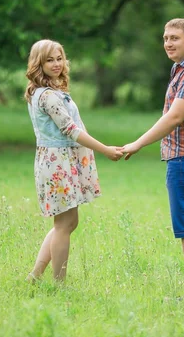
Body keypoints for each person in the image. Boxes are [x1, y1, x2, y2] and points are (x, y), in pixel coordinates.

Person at [121, 18, 184, 300]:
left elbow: (175, 117)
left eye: (174, 38)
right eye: (165, 38)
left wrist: (138, 143)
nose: (168, 43)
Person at [24, 39, 123, 282]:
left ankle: (35, 276)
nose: (57, 64)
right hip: (58, 163)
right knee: (64, 224)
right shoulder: (48, 96)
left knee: (68, 222)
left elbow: (77, 127)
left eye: (59, 58)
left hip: (60, 160)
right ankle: (58, 284)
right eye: (49, 60)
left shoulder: (50, 92)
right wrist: (105, 149)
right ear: (39, 64)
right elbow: (70, 130)